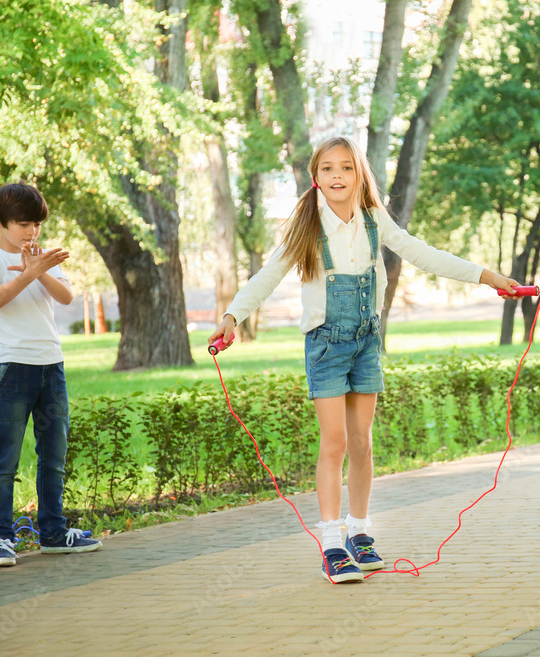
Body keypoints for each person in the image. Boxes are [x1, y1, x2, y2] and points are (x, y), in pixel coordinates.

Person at [208, 136, 520, 583]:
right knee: (333, 443)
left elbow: (421, 253)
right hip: (326, 345)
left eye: (346, 168)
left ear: (360, 175)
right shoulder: (306, 228)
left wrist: (486, 277)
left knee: (362, 442)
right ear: (316, 178)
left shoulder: (374, 219)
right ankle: (332, 544)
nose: (337, 176)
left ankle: (359, 532)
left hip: (366, 343)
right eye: (328, 169)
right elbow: (268, 275)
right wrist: (232, 315)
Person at [0, 183, 103, 567]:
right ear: (0, 220)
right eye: (24, 224)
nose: (32, 232)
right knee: (5, 459)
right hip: (13, 368)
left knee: (54, 455)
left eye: (38, 225)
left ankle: (54, 533)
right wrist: (29, 273)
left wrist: (39, 268)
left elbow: (65, 297)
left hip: (52, 366)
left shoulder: (44, 258)